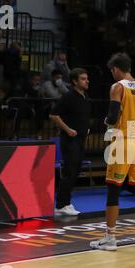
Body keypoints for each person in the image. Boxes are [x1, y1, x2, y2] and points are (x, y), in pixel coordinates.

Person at [90, 53, 135, 254]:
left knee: (114, 190)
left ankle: (110, 238)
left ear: (116, 70)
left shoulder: (117, 87)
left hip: (122, 142)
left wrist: (105, 122)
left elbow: (112, 117)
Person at [49, 68, 91, 215]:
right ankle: (61, 204)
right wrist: (67, 130)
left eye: (87, 78)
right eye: (83, 79)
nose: (87, 81)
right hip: (70, 140)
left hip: (81, 139)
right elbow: (54, 115)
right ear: (74, 81)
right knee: (69, 171)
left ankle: (66, 202)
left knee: (76, 170)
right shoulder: (68, 96)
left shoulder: (85, 97)